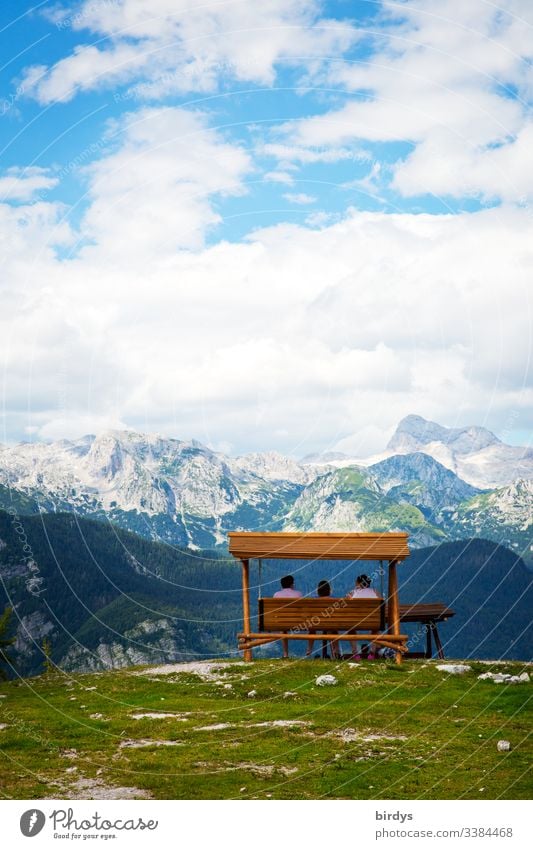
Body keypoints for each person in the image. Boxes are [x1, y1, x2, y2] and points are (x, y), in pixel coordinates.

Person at [346, 574, 380, 658]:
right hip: (373, 622)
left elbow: (346, 609)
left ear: (358, 583)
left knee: (351, 630)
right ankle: (372, 653)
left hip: (356, 622)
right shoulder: (375, 592)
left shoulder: (352, 593)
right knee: (375, 630)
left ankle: (355, 654)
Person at [305, 580, 339, 660]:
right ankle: (336, 651)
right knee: (334, 630)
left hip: (316, 624)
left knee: (312, 629)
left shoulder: (314, 602)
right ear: (329, 591)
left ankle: (309, 650)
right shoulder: (335, 601)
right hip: (330, 624)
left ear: (318, 591)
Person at [273, 575, 302, 658]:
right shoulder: (298, 594)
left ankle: (285, 654)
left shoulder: (276, 595)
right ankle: (309, 649)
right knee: (311, 628)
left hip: (281, 622)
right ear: (292, 584)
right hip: (296, 622)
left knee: (283, 629)